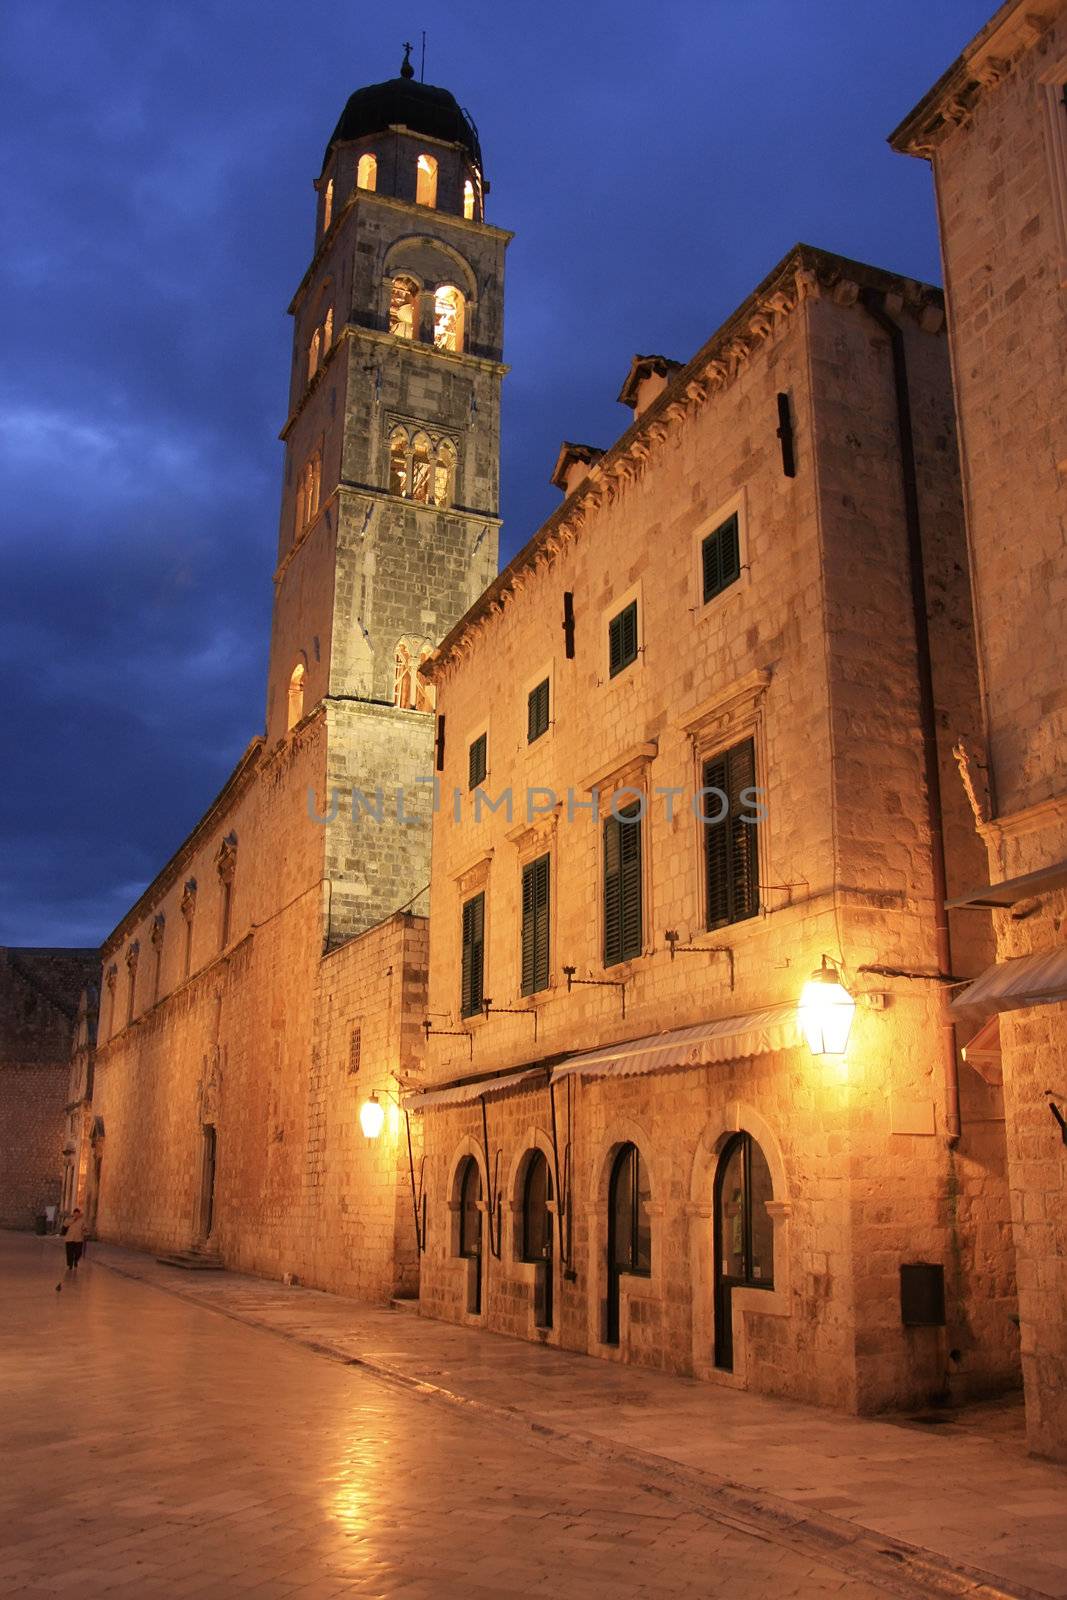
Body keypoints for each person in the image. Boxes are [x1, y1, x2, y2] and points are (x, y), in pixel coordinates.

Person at [61, 1208, 86, 1273]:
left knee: (79, 1252)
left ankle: (75, 1260)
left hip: (79, 1239)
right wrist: (73, 1219)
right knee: (69, 1253)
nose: (77, 1215)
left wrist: (85, 1231)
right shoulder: (69, 1219)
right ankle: (70, 1265)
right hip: (69, 1239)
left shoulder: (82, 1220)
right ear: (74, 1213)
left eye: (78, 1214)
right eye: (75, 1214)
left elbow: (84, 1227)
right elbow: (65, 1225)